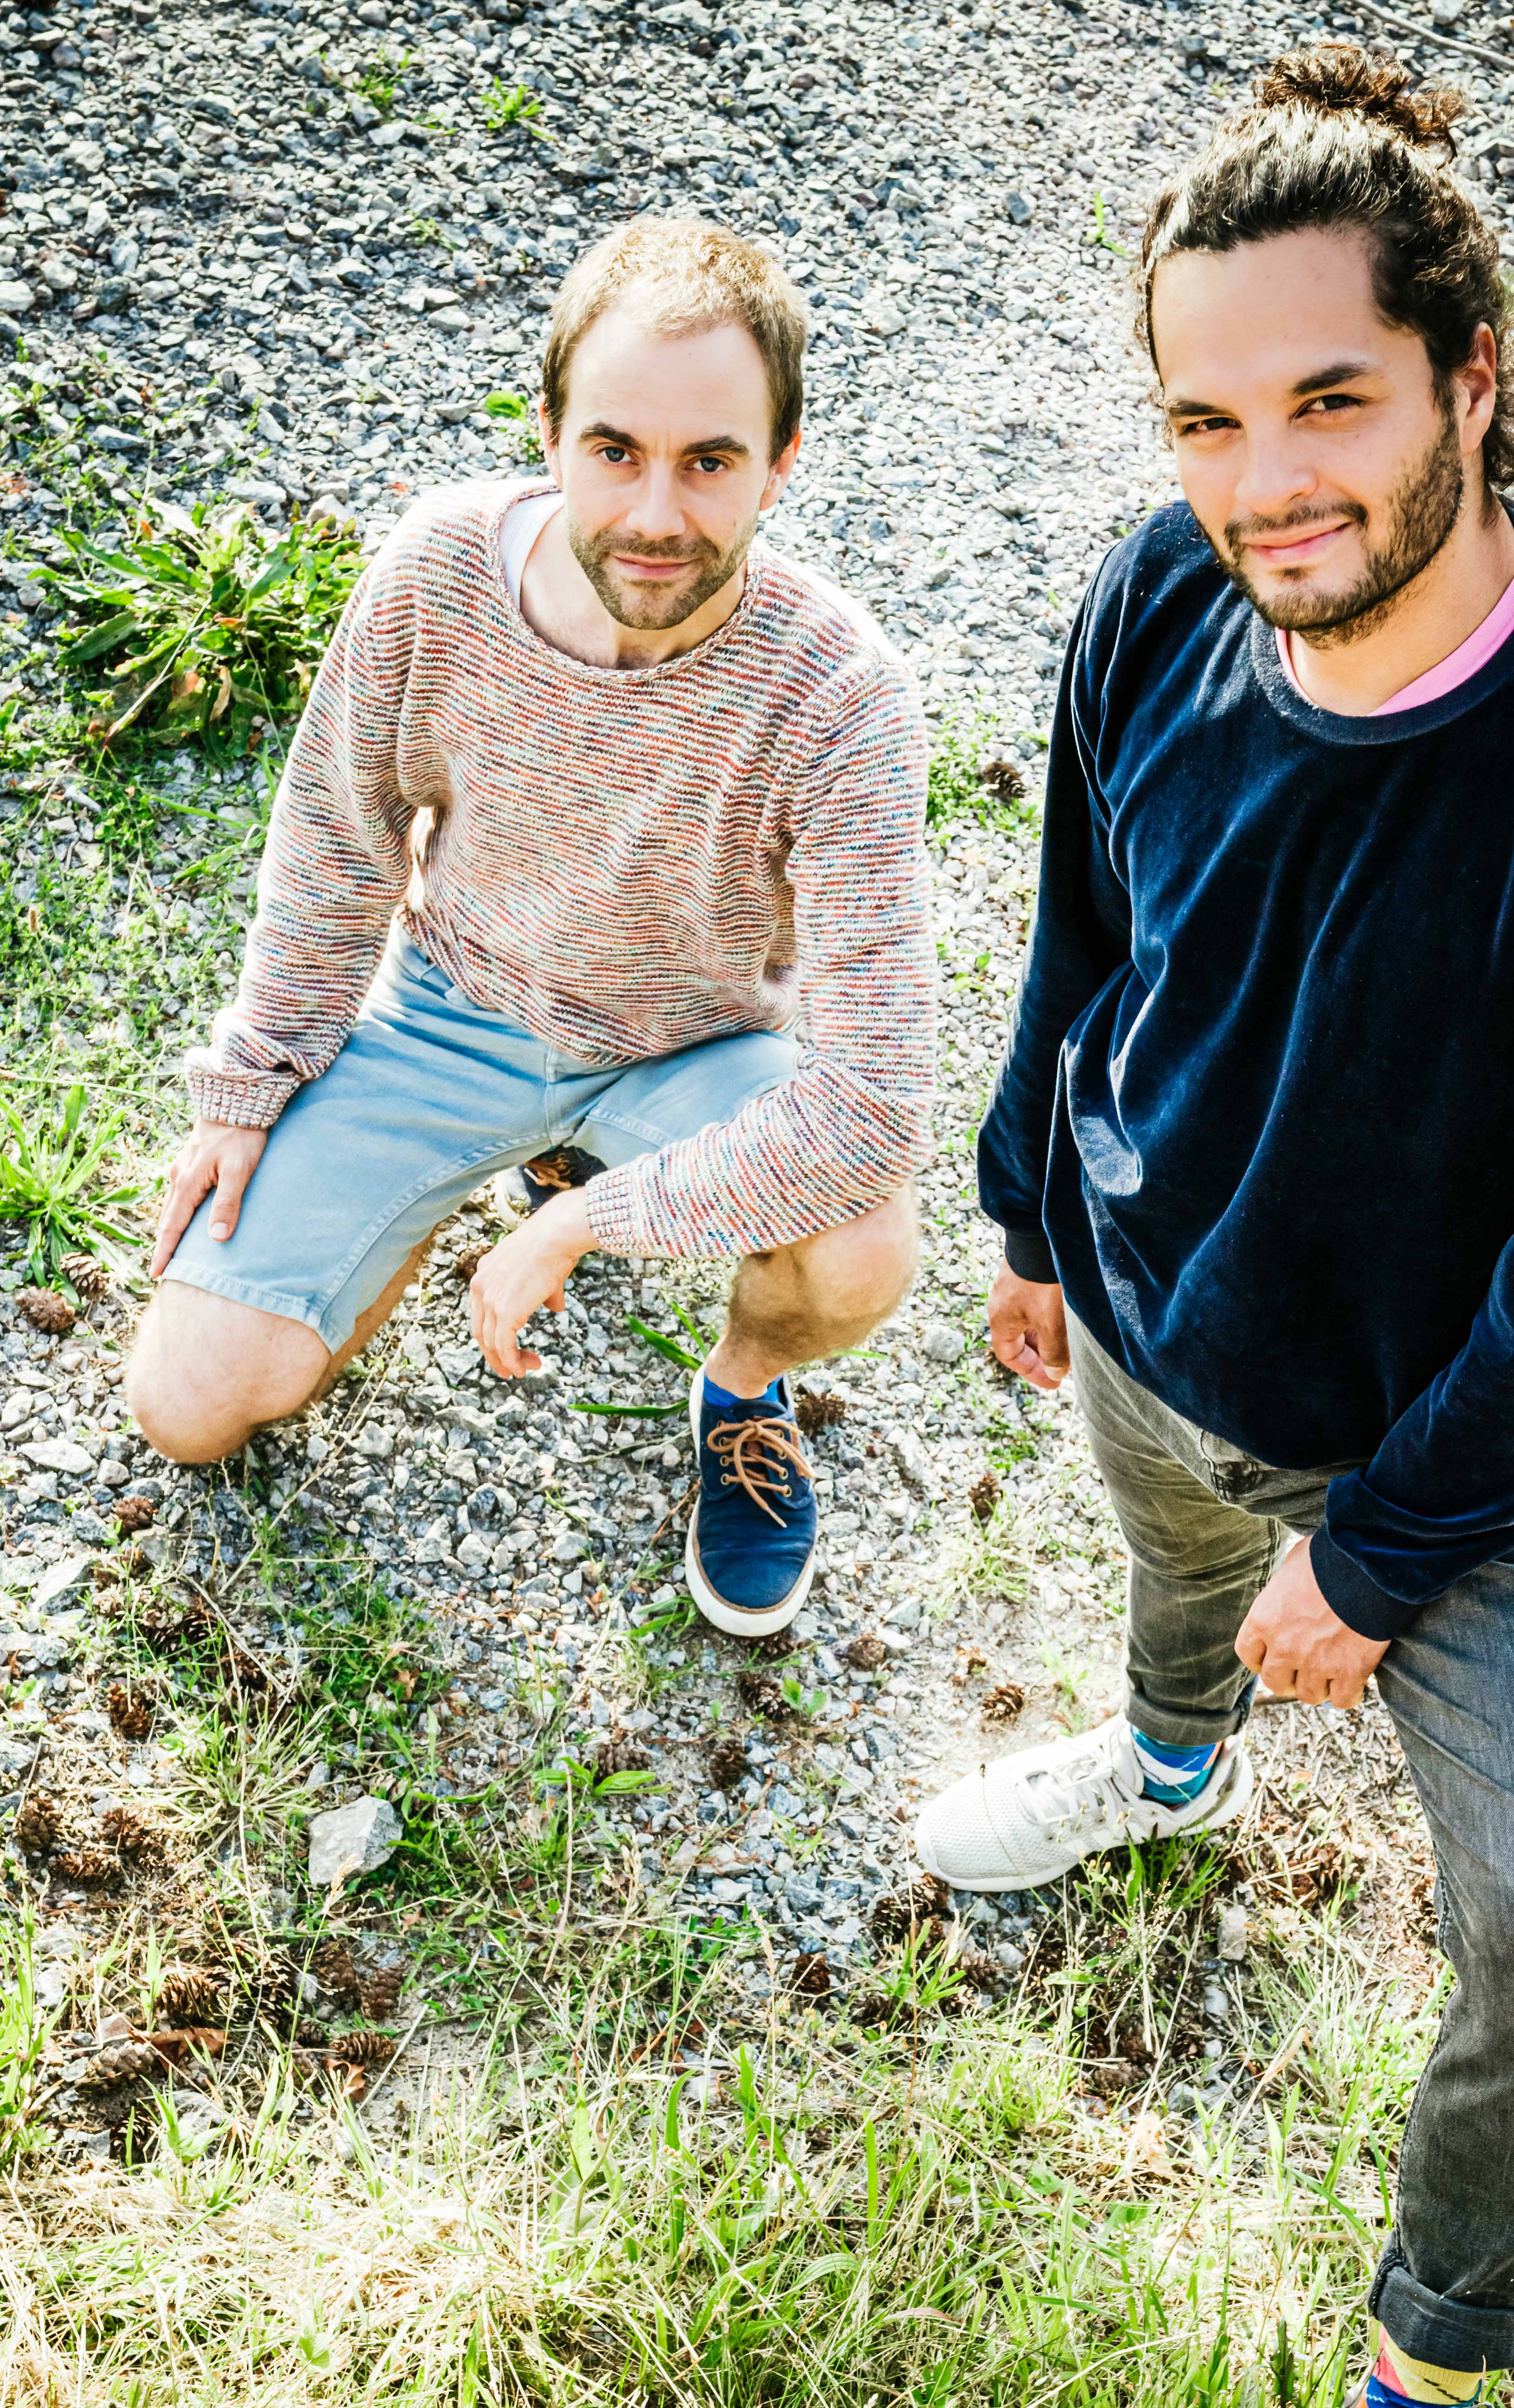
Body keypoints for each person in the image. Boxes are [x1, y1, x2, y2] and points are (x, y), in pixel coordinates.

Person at [918, 47, 1514, 2408]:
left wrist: (1395, 1550)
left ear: (1471, 384)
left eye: (1326, 403)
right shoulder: (1159, 596)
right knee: (1166, 1581)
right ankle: (1167, 1769)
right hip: (1154, 1315)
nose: (1261, 482)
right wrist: (1025, 1194)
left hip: (1449, 1463)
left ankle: (1427, 2404)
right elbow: (1087, 902)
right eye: (1206, 416)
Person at [127, 216, 933, 1641]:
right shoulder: (438, 571)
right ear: (549, 429)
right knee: (185, 1405)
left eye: (711, 461)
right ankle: (427, 1201)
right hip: (450, 1010)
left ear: (782, 463)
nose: (656, 513)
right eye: (615, 449)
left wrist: (588, 1225)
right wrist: (255, 1082)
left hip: (693, 1050)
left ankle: (741, 1393)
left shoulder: (842, 692)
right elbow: (339, 828)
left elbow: (871, 1105)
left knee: (859, 1245)